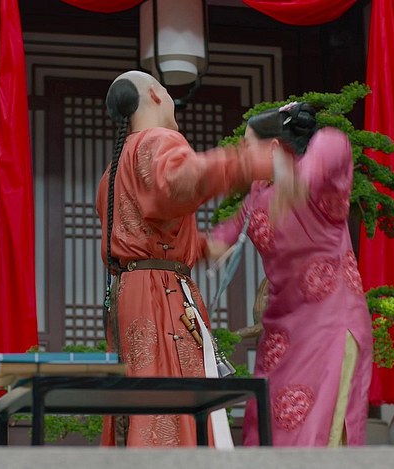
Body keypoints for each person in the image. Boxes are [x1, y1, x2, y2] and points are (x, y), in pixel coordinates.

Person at [96, 70, 297, 448]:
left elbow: (147, 232)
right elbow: (176, 183)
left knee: (139, 401)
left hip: (130, 294)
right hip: (159, 297)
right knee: (171, 404)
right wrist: (249, 162)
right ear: (156, 95)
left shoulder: (114, 169)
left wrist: (201, 247)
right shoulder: (157, 140)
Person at [207, 103, 372, 447]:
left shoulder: (321, 180)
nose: (243, 153)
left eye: (248, 146)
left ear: (272, 148)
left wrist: (297, 176)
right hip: (281, 334)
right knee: (265, 428)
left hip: (327, 323)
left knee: (314, 432)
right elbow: (220, 240)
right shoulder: (258, 193)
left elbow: (334, 143)